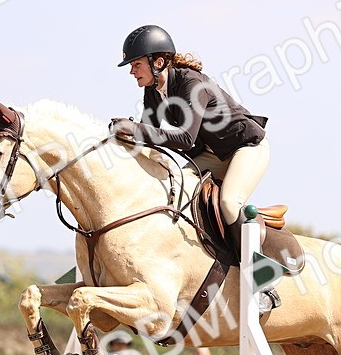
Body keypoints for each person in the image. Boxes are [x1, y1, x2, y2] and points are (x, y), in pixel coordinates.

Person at [109, 24, 270, 228]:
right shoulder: (152, 91)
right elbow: (147, 135)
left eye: (136, 65)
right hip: (213, 154)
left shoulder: (191, 84)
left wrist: (133, 128)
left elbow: (186, 140)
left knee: (229, 203)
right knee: (179, 191)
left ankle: (253, 258)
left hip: (246, 147)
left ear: (158, 62)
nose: (131, 71)